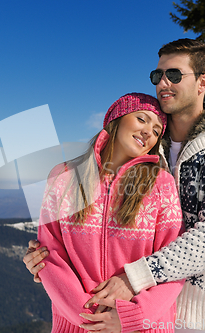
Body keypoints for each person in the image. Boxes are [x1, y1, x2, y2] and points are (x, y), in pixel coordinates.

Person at [24, 39, 205, 333]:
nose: (162, 82)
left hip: (201, 316)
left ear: (202, 82)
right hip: (139, 314)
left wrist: (134, 281)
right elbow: (73, 244)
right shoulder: (147, 149)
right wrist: (48, 267)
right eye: (157, 75)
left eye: (174, 74)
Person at [36, 92, 185, 333]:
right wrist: (87, 316)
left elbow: (175, 264)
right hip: (76, 325)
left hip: (143, 326)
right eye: (141, 119)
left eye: (157, 130)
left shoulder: (160, 184)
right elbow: (50, 254)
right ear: (116, 119)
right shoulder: (64, 177)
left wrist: (132, 316)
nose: (149, 132)